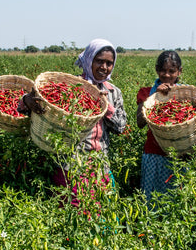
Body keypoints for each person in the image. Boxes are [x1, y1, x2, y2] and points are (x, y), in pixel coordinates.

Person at [24, 39, 128, 201]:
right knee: (75, 209)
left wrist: (106, 107)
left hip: (101, 164)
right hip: (71, 164)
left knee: (104, 209)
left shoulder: (114, 93)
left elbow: (121, 127)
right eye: (99, 61)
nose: (104, 67)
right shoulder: (73, 86)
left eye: (109, 63)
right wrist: (26, 100)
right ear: (89, 59)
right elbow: (42, 100)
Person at [136, 50, 183, 201]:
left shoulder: (185, 94)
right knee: (152, 200)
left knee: (176, 201)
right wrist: (154, 97)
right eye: (163, 70)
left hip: (181, 156)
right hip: (155, 155)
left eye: (172, 71)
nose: (167, 75)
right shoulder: (146, 93)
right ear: (157, 70)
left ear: (179, 72)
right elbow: (140, 122)